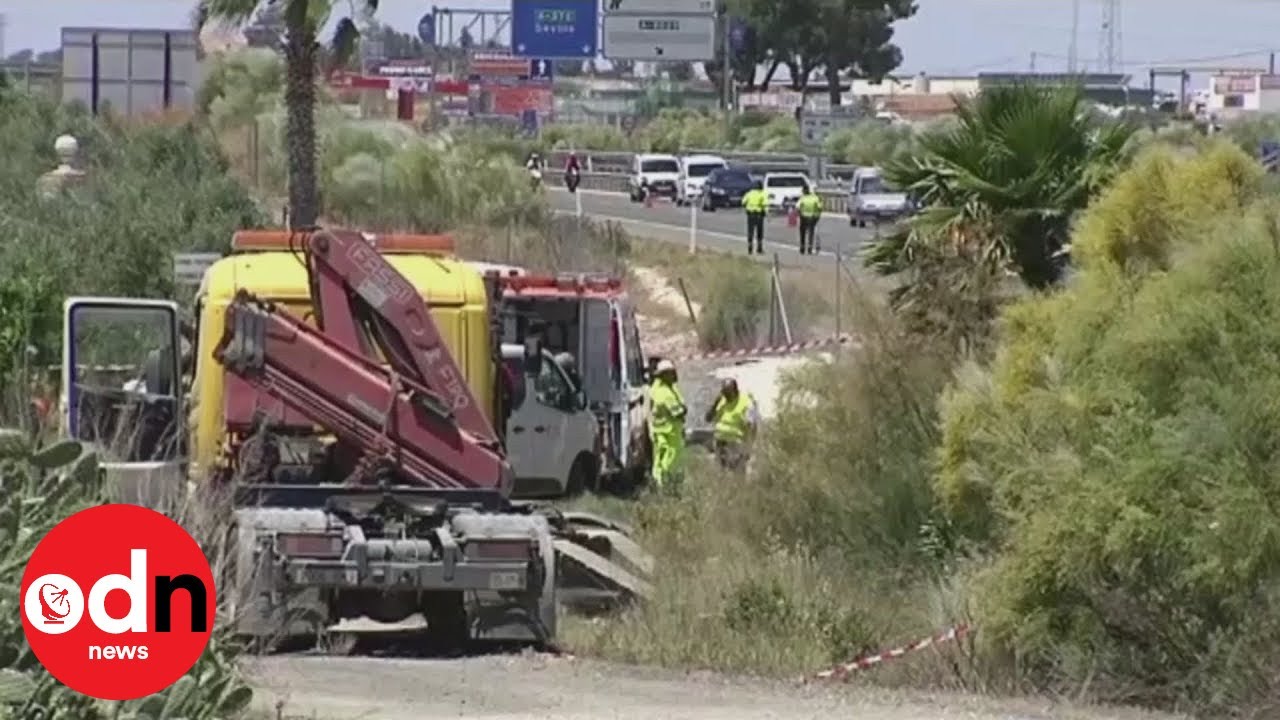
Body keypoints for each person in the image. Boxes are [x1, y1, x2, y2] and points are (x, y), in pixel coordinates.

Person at [647, 358, 687, 494]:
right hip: (670, 433)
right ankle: (667, 487)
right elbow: (679, 413)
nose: (675, 375)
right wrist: (683, 409)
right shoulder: (665, 394)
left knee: (659, 460)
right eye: (671, 373)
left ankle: (659, 485)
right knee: (669, 461)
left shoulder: (660, 387)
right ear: (664, 375)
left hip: (660, 431)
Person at [704, 378, 758, 471]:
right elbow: (708, 419)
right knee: (721, 472)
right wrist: (715, 402)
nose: (726, 396)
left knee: (736, 472)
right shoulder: (722, 400)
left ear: (735, 391)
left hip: (735, 443)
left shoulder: (746, 402)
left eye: (728, 393)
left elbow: (752, 426)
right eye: (724, 392)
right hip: (720, 441)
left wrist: (749, 447)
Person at [741, 181, 767, 255]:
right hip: (759, 215)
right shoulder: (762, 194)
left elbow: (743, 202)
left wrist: (748, 207)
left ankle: (750, 247)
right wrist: (765, 213)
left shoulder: (749, 194)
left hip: (750, 215)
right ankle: (759, 248)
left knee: (750, 231)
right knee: (759, 232)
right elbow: (765, 204)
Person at [796, 184, 823, 254]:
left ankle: (802, 247)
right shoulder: (815, 197)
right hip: (812, 217)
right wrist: (818, 216)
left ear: (804, 191)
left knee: (802, 233)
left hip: (803, 217)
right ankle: (810, 248)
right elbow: (820, 207)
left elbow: (797, 207)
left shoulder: (803, 198)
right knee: (811, 233)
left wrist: (800, 214)